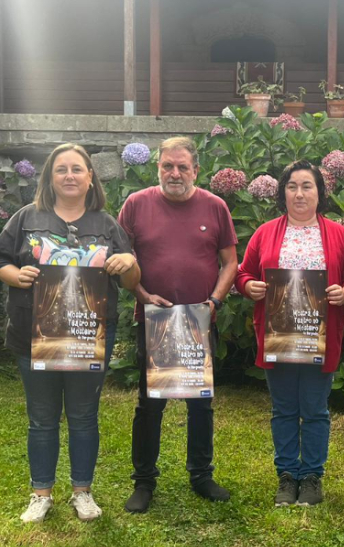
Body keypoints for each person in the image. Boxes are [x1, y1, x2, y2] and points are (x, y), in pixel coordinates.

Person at [0, 143, 141, 523]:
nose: (69, 175)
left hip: (89, 338)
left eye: (77, 169)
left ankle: (82, 492)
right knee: (41, 418)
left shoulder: (107, 225)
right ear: (50, 178)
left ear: (91, 178)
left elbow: (133, 280)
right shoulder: (26, 217)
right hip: (34, 337)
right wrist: (15, 275)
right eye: (61, 169)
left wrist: (130, 261)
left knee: (84, 416)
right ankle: (41, 493)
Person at [118, 136, 238, 513]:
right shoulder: (136, 205)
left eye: (182, 166)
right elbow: (119, 259)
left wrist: (215, 301)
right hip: (154, 319)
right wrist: (140, 293)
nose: (174, 173)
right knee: (150, 403)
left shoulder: (215, 207)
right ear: (158, 168)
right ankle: (143, 482)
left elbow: (231, 262)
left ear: (196, 171)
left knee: (200, 403)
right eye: (167, 166)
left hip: (199, 320)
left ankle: (201, 475)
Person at [236, 160, 344, 507]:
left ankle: (311, 477)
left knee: (316, 408)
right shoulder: (265, 233)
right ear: (283, 193)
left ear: (319, 193)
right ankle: (287, 475)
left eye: (307, 186)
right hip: (279, 334)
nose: (299, 193)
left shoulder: (338, 234)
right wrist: (252, 287)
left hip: (318, 335)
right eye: (292, 186)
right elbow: (243, 273)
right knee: (283, 409)